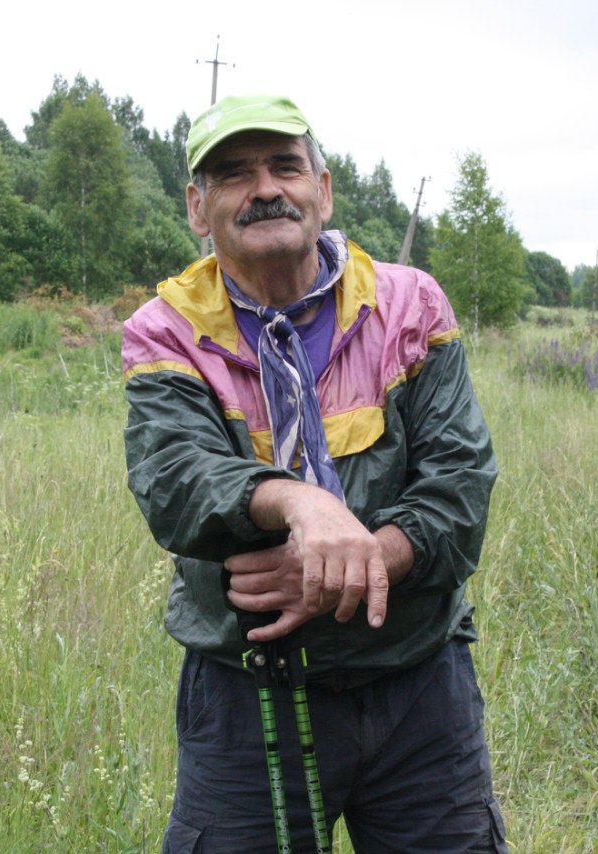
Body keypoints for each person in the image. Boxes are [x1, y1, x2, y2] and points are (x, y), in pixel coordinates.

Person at [121, 94, 506, 853]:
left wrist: (352, 566)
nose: (266, 188)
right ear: (198, 208)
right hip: (246, 696)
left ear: (322, 191)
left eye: (285, 167)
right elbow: (175, 481)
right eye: (235, 174)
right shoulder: (167, 331)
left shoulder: (410, 306)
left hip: (419, 688)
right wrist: (297, 501)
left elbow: (460, 489)